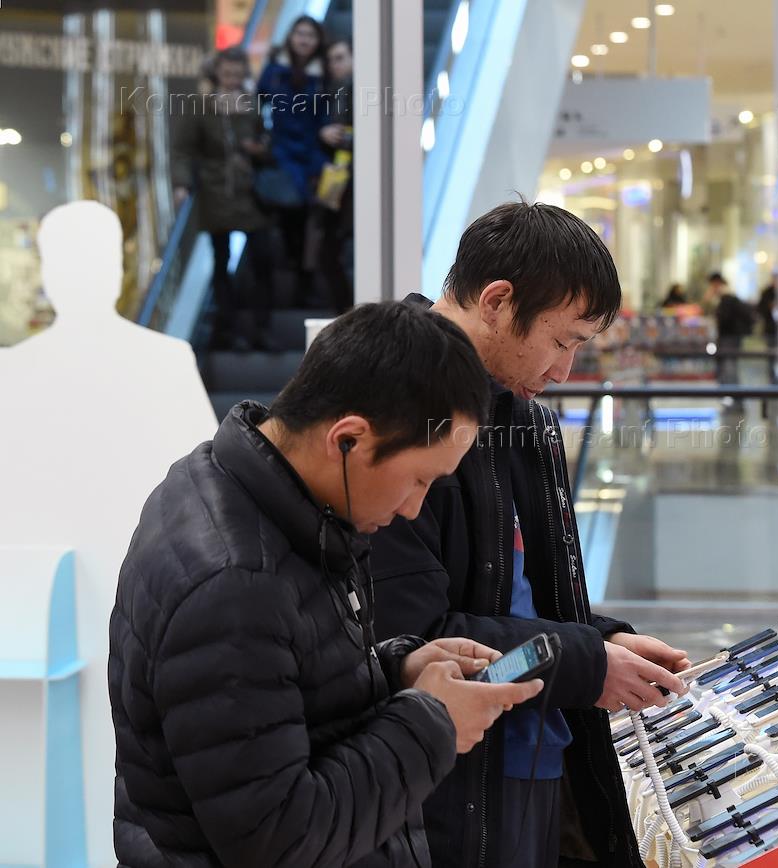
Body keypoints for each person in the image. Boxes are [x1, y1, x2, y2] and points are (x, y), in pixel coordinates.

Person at [108, 302, 544, 868]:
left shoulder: (259, 495)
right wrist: (433, 725)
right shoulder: (235, 582)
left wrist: (395, 672)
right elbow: (278, 838)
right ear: (348, 439)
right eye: (418, 479)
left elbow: (281, 692)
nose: (414, 508)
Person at [370, 201, 692, 868]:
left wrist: (603, 641)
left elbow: (521, 597)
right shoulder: (399, 412)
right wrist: (586, 663)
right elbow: (412, 640)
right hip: (442, 784)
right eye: (563, 341)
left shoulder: (521, 418)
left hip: (533, 755)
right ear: (497, 302)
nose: (565, 371)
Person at [171, 46, 277, 351]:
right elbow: (183, 149)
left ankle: (260, 327)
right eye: (226, 72)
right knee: (221, 261)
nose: (231, 78)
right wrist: (182, 184)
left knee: (262, 259)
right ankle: (227, 329)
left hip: (250, 192)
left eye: (236, 73)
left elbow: (267, 141)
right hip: (215, 192)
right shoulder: (201, 105)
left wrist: (259, 149)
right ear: (216, 72)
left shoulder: (252, 103)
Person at [257, 15, 329, 307]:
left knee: (312, 227)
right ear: (290, 36)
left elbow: (328, 112)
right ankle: (292, 285)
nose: (304, 40)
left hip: (314, 156)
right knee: (289, 223)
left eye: (310, 35)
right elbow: (257, 101)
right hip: (282, 154)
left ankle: (305, 284)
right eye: (299, 33)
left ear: (317, 41)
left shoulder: (323, 73)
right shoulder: (275, 70)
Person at [316, 37, 354, 313]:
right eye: (330, 60)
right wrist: (323, 133)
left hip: (352, 182)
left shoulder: (360, 90)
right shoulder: (330, 91)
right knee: (328, 252)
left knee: (336, 251)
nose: (334, 65)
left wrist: (343, 138)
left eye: (340, 58)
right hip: (336, 179)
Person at [709, 271, 754, 400]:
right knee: (729, 367)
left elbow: (724, 319)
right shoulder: (727, 297)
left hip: (729, 338)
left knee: (729, 368)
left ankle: (734, 398)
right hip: (731, 337)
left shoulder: (726, 298)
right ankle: (733, 397)